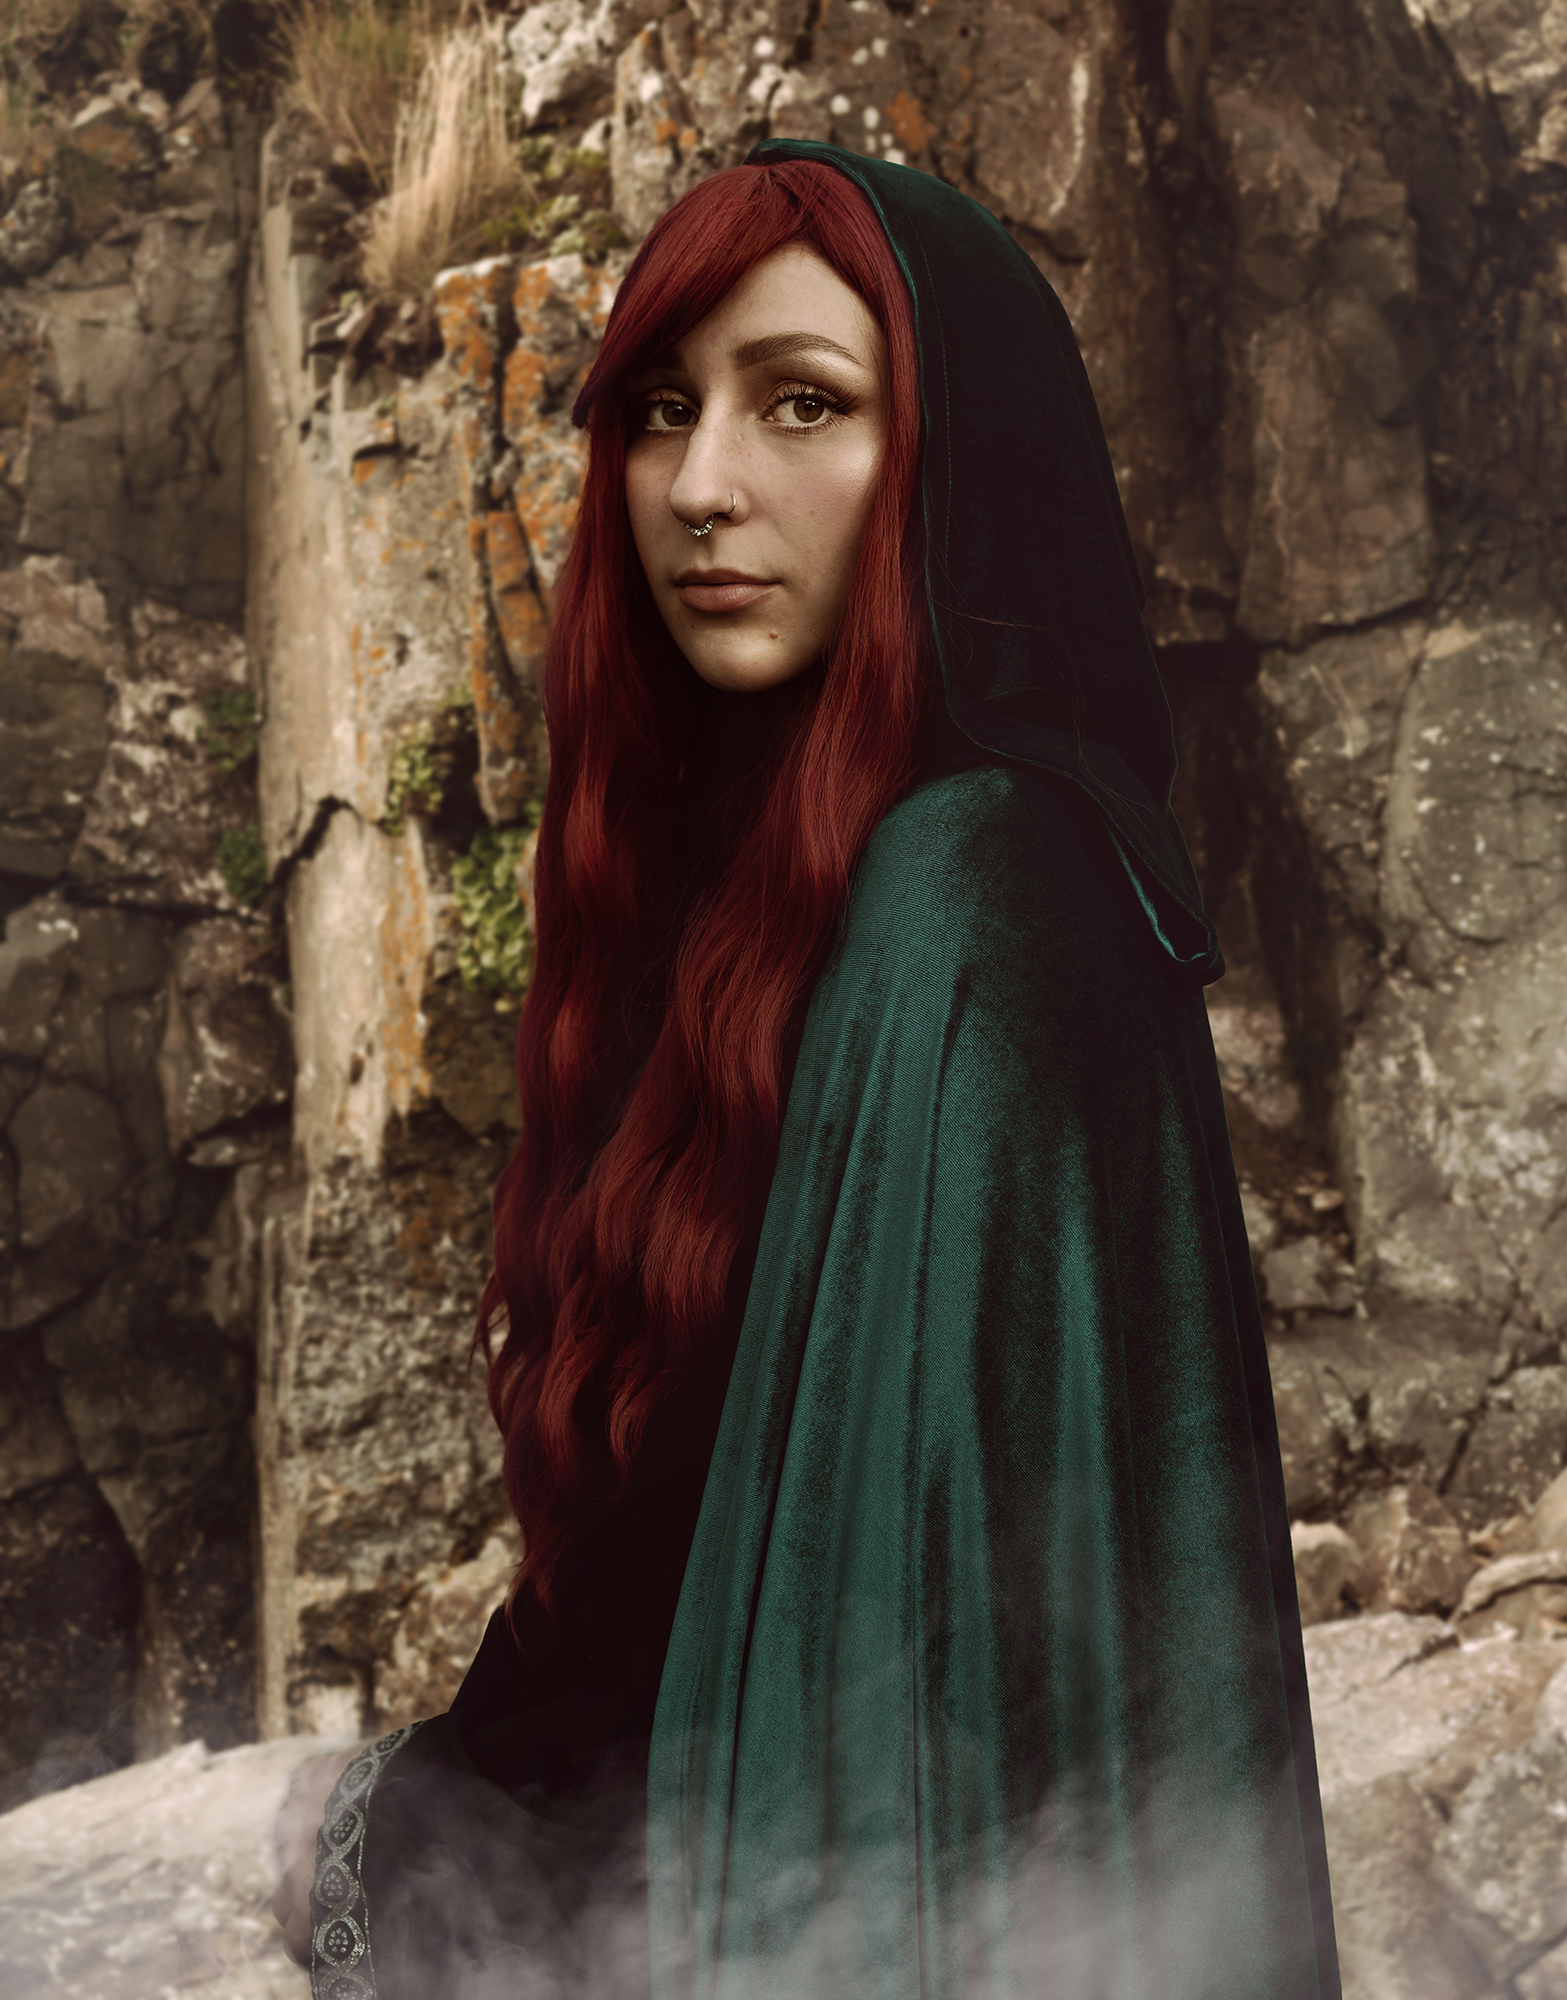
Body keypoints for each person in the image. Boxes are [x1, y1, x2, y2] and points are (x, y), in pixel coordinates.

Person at [273, 142, 1342, 2000]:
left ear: (951, 469)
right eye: (663, 412)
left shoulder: (980, 889)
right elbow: (667, 1566)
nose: (701, 487)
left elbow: (922, 1673)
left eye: (804, 407)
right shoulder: (765, 873)